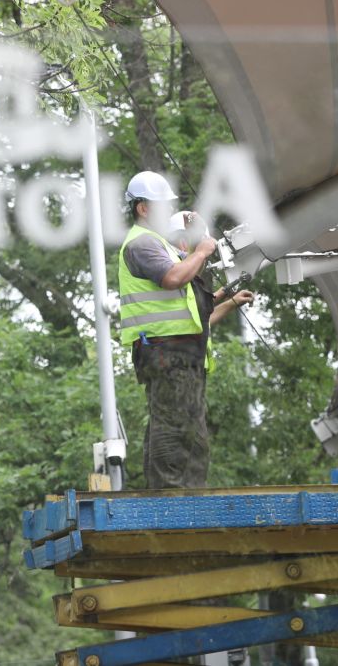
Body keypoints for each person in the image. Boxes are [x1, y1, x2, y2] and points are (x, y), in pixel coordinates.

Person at [117, 171, 254, 489]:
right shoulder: (141, 244)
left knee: (190, 434)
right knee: (173, 431)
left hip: (178, 353)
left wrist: (197, 239)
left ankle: (188, 500)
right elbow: (175, 277)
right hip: (166, 353)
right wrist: (202, 250)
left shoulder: (159, 244)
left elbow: (189, 281)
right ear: (142, 208)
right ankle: (170, 503)